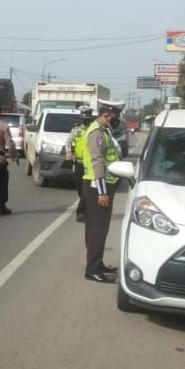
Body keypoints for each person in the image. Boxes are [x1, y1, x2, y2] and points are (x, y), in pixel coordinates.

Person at [81, 99, 124, 283]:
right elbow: (97, 161)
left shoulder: (104, 131)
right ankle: (92, 269)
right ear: (106, 114)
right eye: (115, 116)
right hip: (97, 185)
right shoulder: (96, 132)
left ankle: (98, 264)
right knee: (98, 228)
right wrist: (102, 192)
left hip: (101, 184)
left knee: (96, 227)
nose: (117, 120)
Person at [64, 106, 95, 223]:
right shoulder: (76, 129)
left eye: (87, 118)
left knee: (86, 189)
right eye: (83, 118)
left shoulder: (94, 129)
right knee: (80, 189)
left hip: (90, 165)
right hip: (78, 163)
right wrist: (68, 151)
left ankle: (81, 212)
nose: (85, 121)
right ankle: (85, 210)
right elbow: (68, 142)